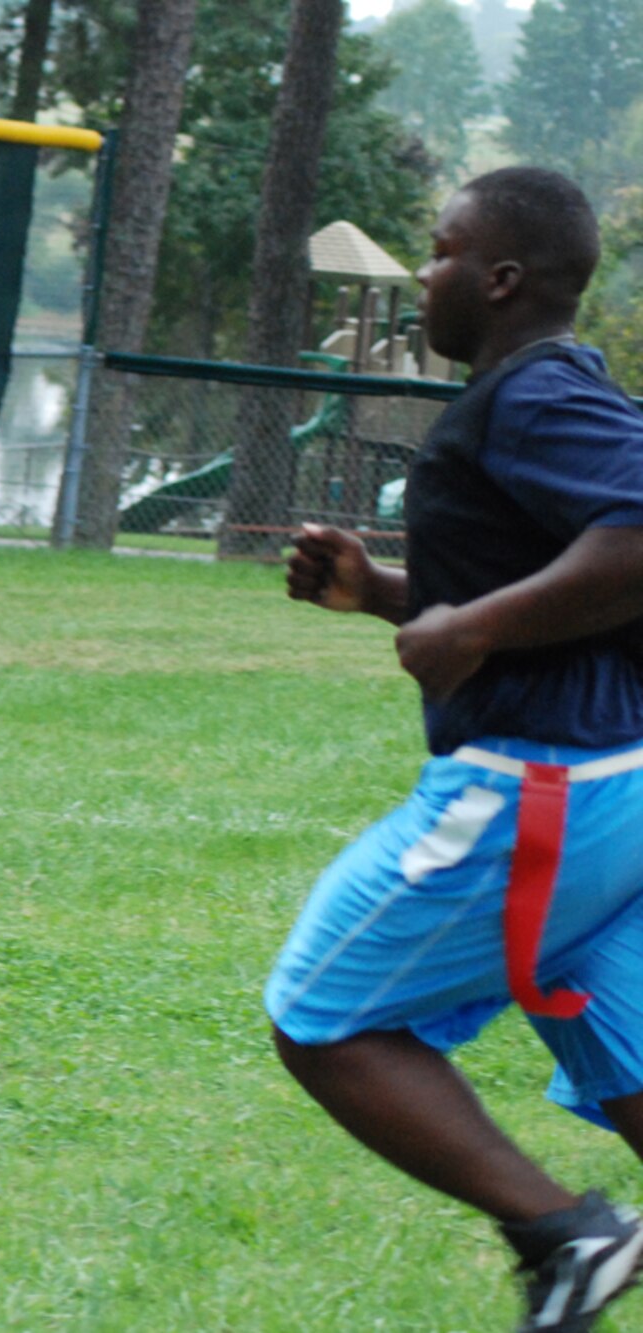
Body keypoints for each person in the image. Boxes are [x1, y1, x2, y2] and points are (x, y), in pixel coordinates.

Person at [271, 167, 643, 1332]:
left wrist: (467, 623)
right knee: (600, 1020)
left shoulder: (530, 398)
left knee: (323, 1011)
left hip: (539, 786)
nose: (421, 272)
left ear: (495, 278)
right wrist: (385, 593)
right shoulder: (536, 398)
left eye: (435, 252)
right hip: (609, 784)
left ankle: (566, 1236)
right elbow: (571, 590)